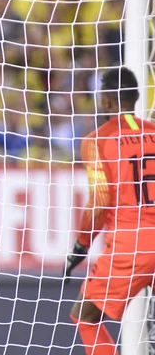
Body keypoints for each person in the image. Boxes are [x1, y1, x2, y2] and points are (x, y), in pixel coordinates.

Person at [65, 67, 155, 355]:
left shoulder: (97, 140)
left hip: (132, 245)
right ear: (137, 97)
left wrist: (81, 244)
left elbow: (100, 201)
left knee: (85, 316)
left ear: (105, 101)